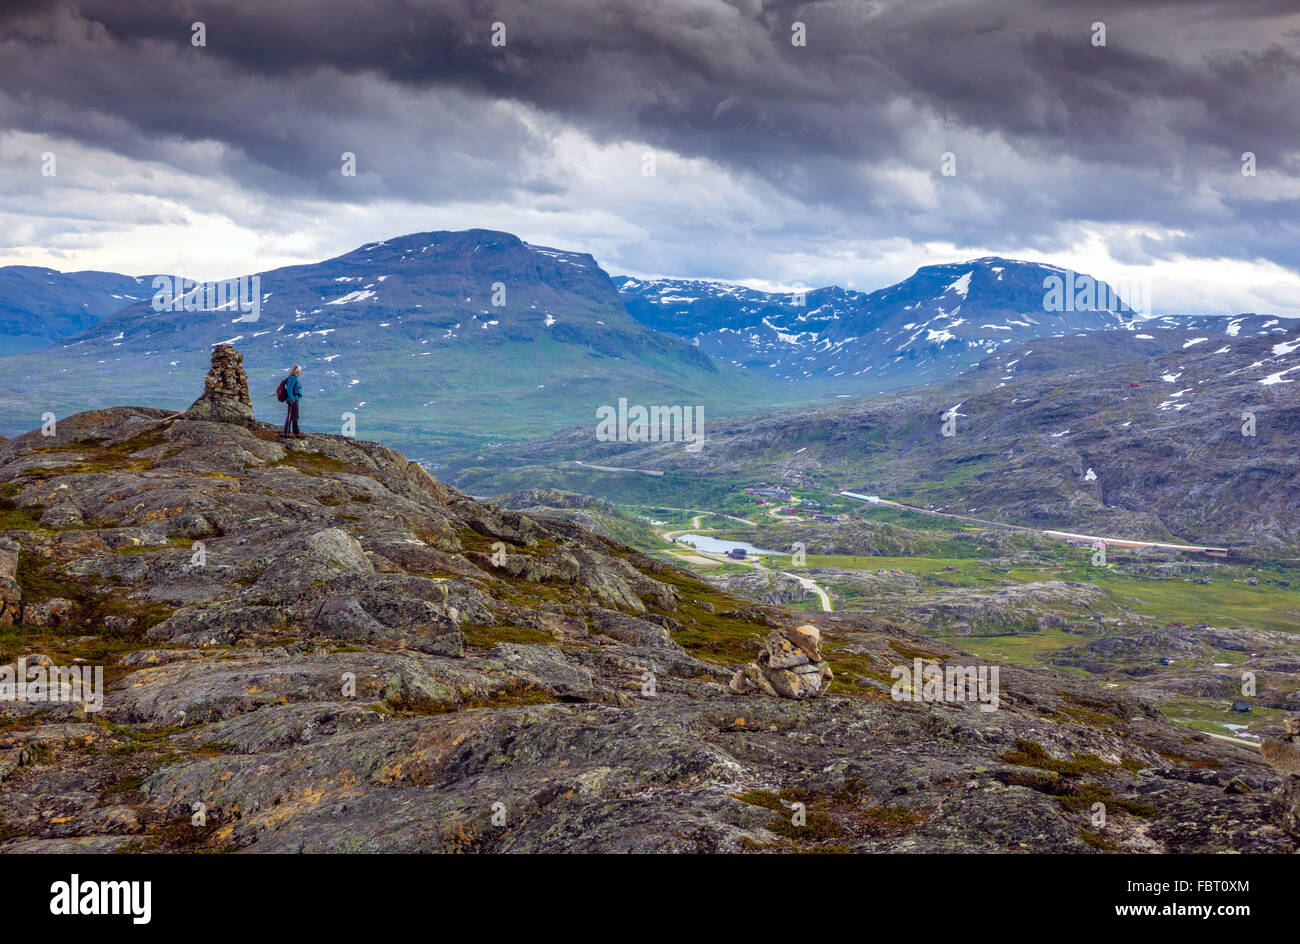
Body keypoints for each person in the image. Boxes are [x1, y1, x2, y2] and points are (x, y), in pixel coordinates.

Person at [282, 365, 305, 439]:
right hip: (292, 399)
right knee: (292, 415)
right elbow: (289, 389)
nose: (301, 372)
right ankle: (290, 432)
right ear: (298, 371)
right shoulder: (292, 378)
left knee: (293, 415)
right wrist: (291, 399)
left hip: (295, 398)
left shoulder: (295, 378)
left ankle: (293, 431)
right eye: (300, 371)